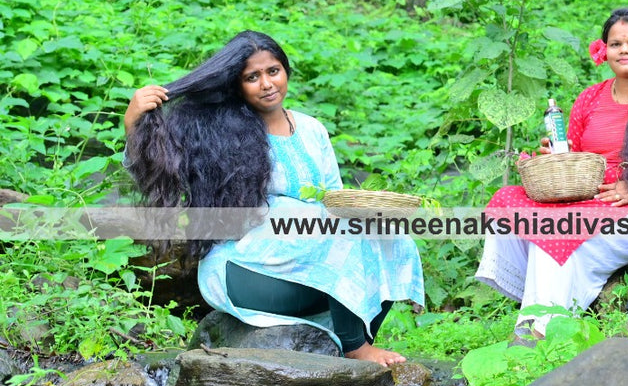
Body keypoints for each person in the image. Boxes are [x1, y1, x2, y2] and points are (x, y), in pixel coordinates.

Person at [123, 30, 423, 365]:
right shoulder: (218, 133)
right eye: (252, 77)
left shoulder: (312, 129)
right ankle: (356, 348)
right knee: (342, 232)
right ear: (237, 85)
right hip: (246, 272)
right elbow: (157, 169)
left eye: (273, 71)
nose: (266, 84)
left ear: (286, 71)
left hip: (307, 266)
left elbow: (335, 200)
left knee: (391, 236)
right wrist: (133, 122)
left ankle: (357, 343)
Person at [476, 8, 628, 337]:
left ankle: (534, 330)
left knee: (553, 234)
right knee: (514, 203)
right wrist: (557, 155)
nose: (624, 50)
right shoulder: (589, 98)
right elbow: (576, 155)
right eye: (616, 44)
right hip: (586, 200)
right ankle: (539, 328)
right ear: (604, 50)